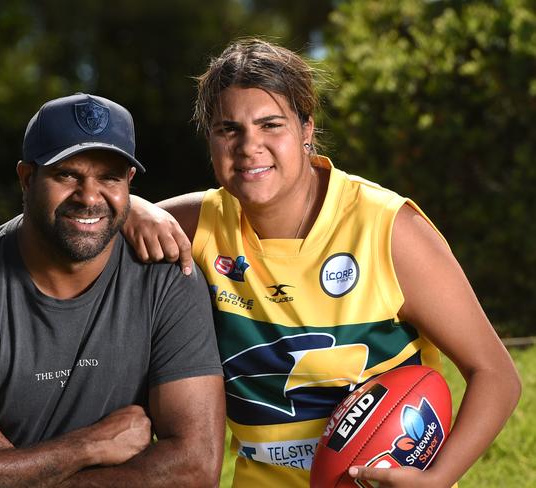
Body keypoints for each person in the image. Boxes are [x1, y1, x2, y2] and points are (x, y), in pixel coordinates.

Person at [123, 38, 521, 488]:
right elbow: (88, 219)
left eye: (271, 124)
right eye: (228, 129)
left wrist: (439, 478)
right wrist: (131, 206)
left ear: (306, 127)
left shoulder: (388, 229)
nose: (249, 146)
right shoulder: (200, 224)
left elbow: (496, 375)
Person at [0, 93, 225, 487]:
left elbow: (195, 468)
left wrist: (12, 470)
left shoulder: (168, 279)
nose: (89, 196)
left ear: (129, 184)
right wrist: (87, 446)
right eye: (67, 174)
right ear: (28, 178)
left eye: (109, 177)